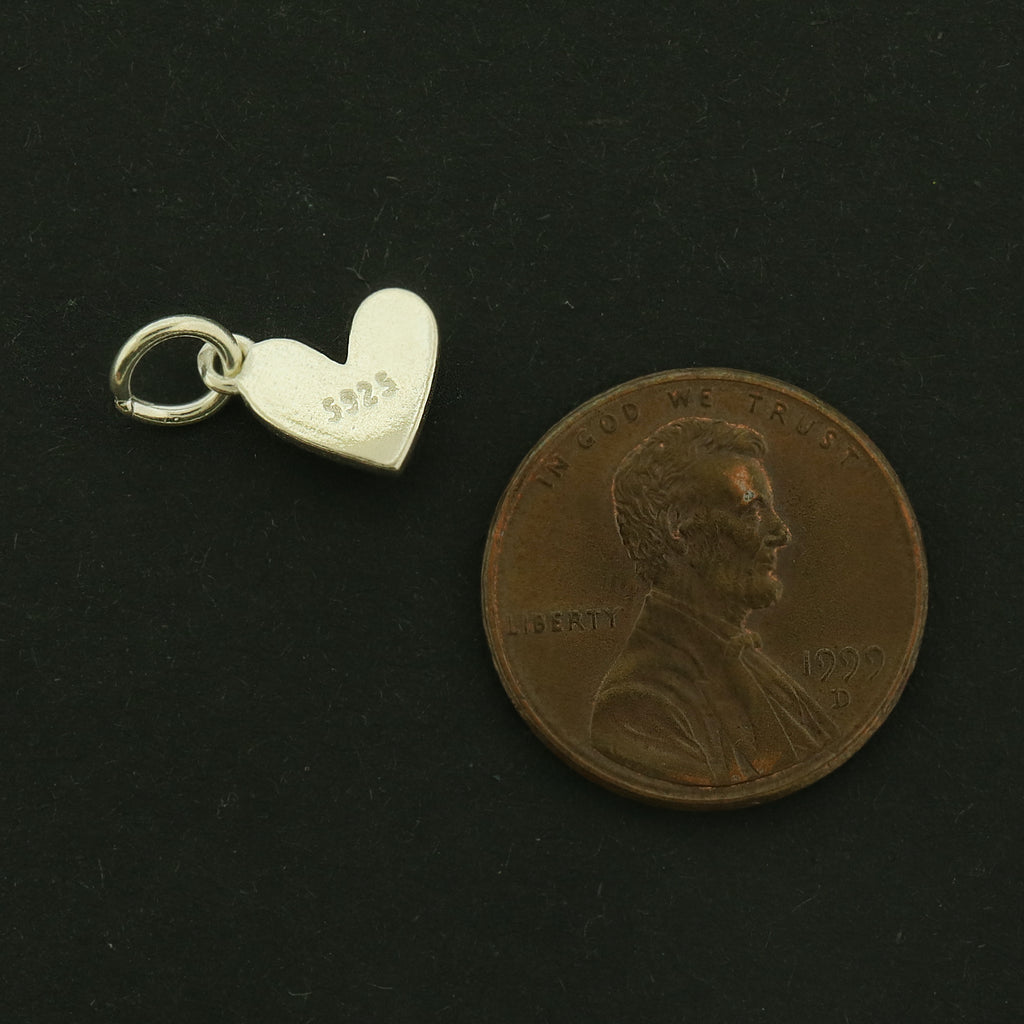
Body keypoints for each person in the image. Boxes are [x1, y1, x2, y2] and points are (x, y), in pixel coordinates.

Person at [590, 417, 833, 786]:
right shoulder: (638, 704)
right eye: (751, 510)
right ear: (678, 527)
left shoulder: (749, 662)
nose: (780, 533)